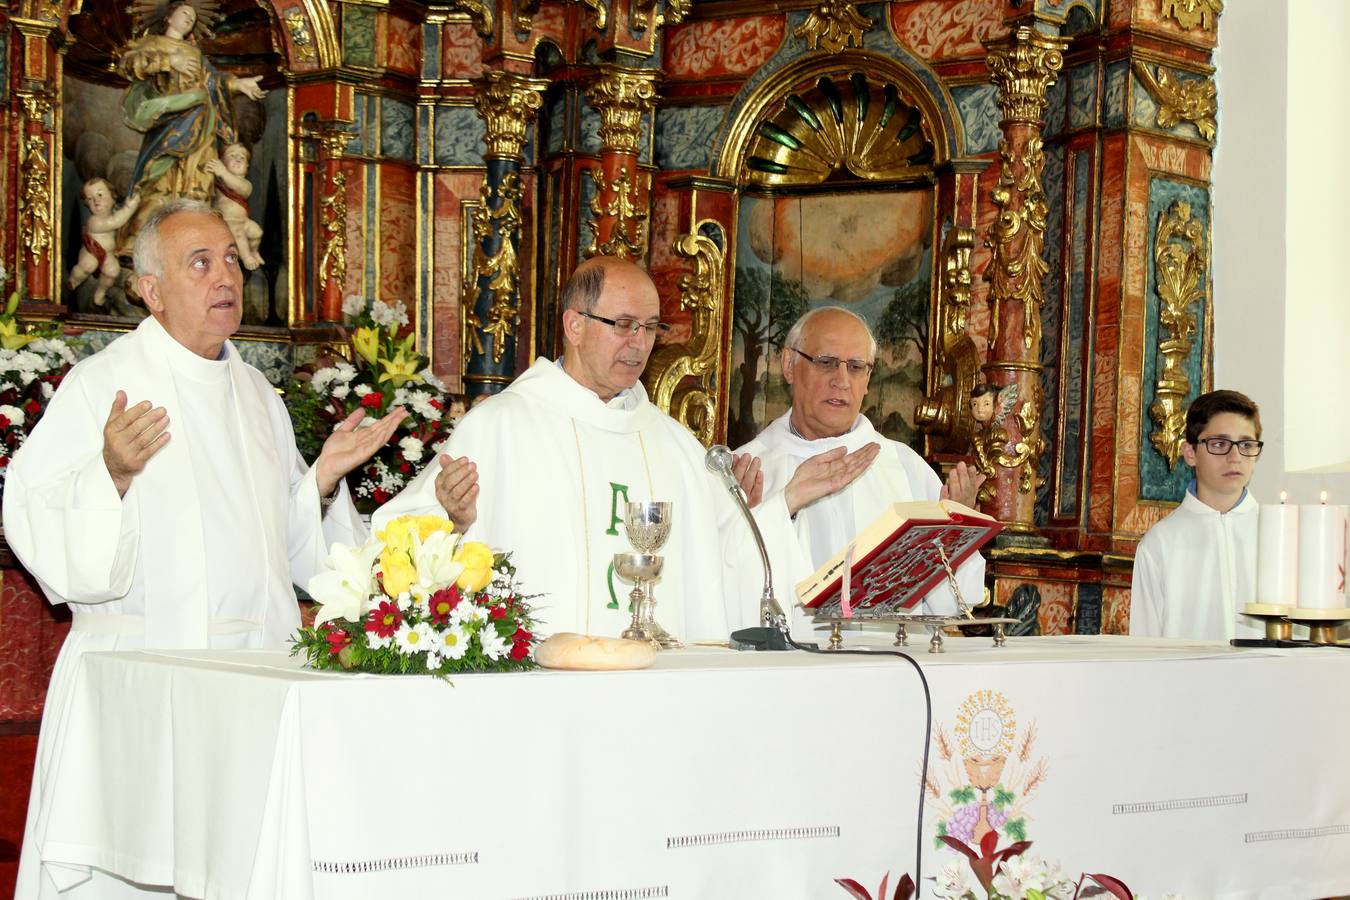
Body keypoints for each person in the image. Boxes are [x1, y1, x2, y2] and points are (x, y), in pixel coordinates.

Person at [7, 199, 405, 899]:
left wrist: (320, 480)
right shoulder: (104, 386)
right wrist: (112, 474)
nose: (226, 275)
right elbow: (38, 525)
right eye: (200, 262)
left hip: (250, 688)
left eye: (230, 258)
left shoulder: (258, 394)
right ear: (150, 290)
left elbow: (288, 553)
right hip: (142, 688)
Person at [376, 257, 837, 640]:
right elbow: (396, 544)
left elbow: (720, 564)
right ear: (574, 326)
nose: (639, 343)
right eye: (623, 325)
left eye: (651, 328)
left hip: (652, 693)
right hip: (539, 690)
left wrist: (764, 507)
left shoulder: (674, 444)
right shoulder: (500, 425)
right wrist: (453, 519)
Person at [734, 306, 988, 638]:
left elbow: (953, 606)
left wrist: (957, 532)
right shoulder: (747, 468)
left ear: (868, 379)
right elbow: (725, 593)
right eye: (826, 362)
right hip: (791, 670)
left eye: (856, 367)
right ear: (788, 365)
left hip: (894, 668)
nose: (841, 380)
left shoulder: (904, 468)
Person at [118, 0, 264, 252]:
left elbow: (213, 81)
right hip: (168, 123)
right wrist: (167, 62)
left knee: (197, 182)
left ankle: (193, 245)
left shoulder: (195, 54)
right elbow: (128, 64)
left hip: (201, 125)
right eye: (184, 13)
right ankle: (143, 244)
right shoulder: (151, 44)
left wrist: (240, 84)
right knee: (159, 180)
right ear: (168, 16)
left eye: (193, 17)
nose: (189, 19)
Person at [1130, 389, 1264, 641]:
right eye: (1219, 444)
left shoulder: (1277, 534)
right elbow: (1144, 642)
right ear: (1190, 453)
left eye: (1246, 444)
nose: (1235, 457)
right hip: (1186, 679)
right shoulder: (1161, 543)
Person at [67, 178, 140, 309]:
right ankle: (73, 279)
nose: (96, 201)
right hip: (92, 251)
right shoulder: (94, 221)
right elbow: (116, 222)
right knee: (87, 266)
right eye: (90, 199)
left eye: (100, 195)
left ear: (113, 197)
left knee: (112, 271)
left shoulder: (112, 213)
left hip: (107, 254)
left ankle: (100, 292)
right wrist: (130, 207)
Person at [205, 142, 264, 270]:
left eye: (242, 157)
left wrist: (223, 173)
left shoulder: (246, 184)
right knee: (238, 234)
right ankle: (246, 257)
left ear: (247, 166)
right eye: (232, 155)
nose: (238, 159)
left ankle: (253, 251)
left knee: (257, 233)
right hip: (227, 221)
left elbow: (241, 189)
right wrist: (219, 173)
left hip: (244, 220)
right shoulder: (218, 181)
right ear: (221, 161)